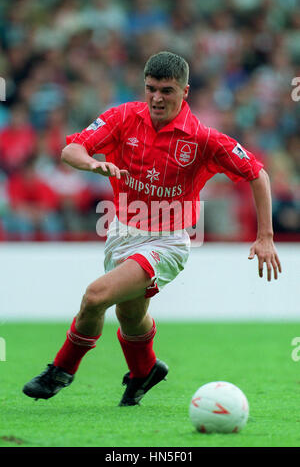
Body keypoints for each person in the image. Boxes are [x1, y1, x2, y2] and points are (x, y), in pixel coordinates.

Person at [23, 52, 281, 406]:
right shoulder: (123, 117)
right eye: (151, 89)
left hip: (168, 242)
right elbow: (72, 150)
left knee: (96, 297)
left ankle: (61, 371)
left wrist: (265, 236)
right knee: (130, 315)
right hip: (121, 233)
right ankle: (145, 371)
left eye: (167, 91)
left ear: (185, 91)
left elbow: (258, 173)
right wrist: (94, 165)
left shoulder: (203, 139)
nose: (157, 97)